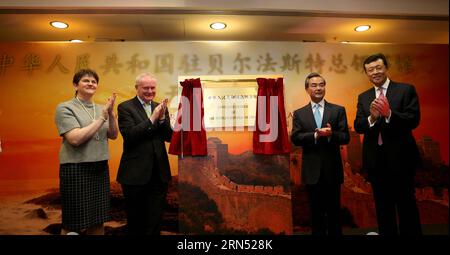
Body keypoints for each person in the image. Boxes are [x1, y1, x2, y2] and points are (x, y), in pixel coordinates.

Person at [354, 53, 422, 235]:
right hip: (376, 161)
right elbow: (358, 125)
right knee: (383, 208)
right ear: (366, 73)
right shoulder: (364, 97)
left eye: (378, 68)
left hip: (401, 159)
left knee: (406, 204)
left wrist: (389, 114)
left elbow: (413, 119)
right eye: (370, 70)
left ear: (386, 68)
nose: (375, 72)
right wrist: (372, 117)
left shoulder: (405, 90)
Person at [55, 69, 118, 235]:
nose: (91, 84)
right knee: (72, 224)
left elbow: (113, 135)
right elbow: (75, 139)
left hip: (100, 168)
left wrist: (111, 114)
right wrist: (102, 118)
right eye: (86, 80)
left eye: (94, 81)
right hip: (76, 169)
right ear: (75, 85)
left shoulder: (101, 108)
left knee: (98, 220)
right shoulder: (65, 107)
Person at [291, 72, 350, 235]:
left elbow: (345, 137)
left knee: (334, 215)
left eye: (321, 85)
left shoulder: (338, 110)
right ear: (307, 89)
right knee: (316, 215)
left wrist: (332, 134)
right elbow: (295, 138)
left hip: (332, 170)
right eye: (314, 85)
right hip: (312, 172)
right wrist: (315, 135)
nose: (318, 88)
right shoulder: (300, 113)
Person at [117, 73, 172, 235]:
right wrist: (153, 118)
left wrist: (162, 120)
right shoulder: (125, 107)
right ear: (137, 88)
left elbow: (169, 138)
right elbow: (130, 136)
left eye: (152, 88)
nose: (150, 91)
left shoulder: (161, 106)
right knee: (136, 220)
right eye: (145, 88)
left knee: (155, 220)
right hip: (135, 174)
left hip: (159, 173)